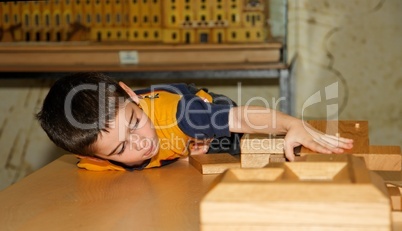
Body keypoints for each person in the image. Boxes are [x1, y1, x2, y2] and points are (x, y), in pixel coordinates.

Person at [36, 72, 353, 171]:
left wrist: (290, 124)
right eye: (121, 148)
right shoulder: (93, 159)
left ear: (132, 95)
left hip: (206, 106)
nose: (141, 143)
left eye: (134, 123)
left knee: (235, 148)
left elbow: (241, 116)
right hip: (181, 140)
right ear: (94, 156)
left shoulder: (184, 116)